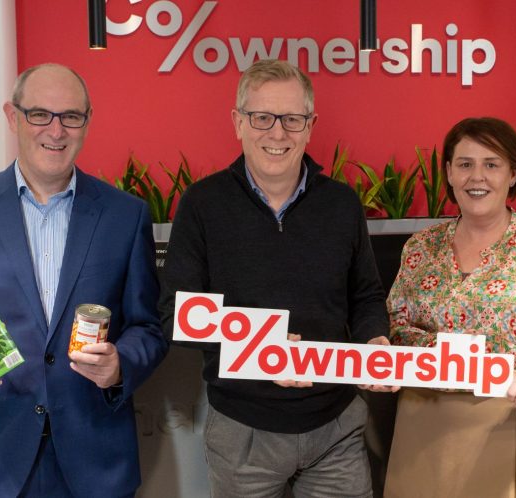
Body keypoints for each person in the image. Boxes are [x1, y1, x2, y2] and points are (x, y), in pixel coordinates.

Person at [0, 63, 167, 497]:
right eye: (40, 114)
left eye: (71, 116)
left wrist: (121, 365)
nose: (56, 131)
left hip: (91, 462)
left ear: (87, 122)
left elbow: (148, 326)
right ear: (13, 116)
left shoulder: (125, 215)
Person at [159, 59, 392, 498]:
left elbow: (365, 295)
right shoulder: (202, 204)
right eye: (262, 118)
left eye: (292, 119)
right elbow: (175, 313)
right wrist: (261, 346)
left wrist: (373, 339)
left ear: (310, 125)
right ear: (238, 122)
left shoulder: (342, 204)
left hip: (336, 427)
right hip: (242, 430)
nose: (278, 133)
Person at [384, 117, 516, 497]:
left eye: (492, 164)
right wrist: (427, 355)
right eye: (465, 164)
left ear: (513, 174)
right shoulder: (420, 248)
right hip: (426, 426)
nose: (477, 176)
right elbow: (397, 324)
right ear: (449, 173)